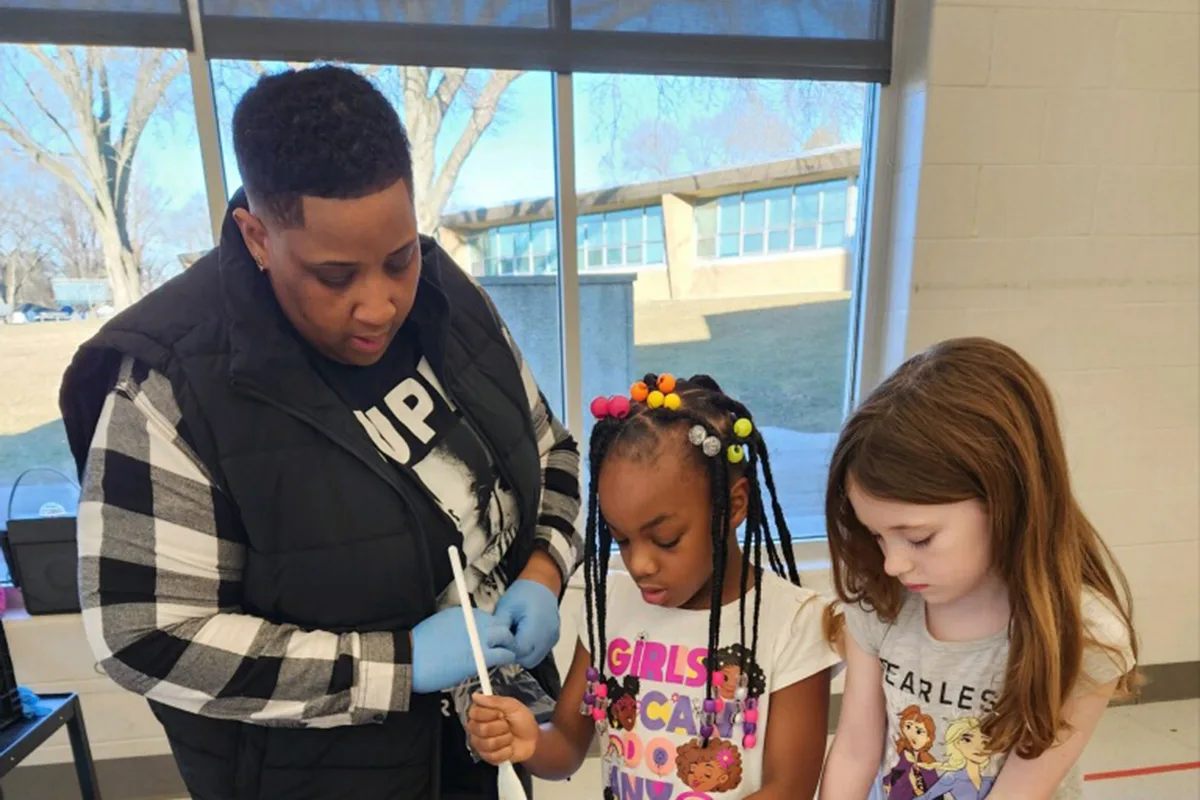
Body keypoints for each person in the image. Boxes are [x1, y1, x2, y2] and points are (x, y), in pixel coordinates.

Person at [58, 65, 582, 799]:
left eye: (398, 258)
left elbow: (552, 451)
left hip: (472, 752)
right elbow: (144, 634)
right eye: (335, 276)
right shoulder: (171, 384)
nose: (380, 306)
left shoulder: (449, 300)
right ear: (257, 235)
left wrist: (543, 572)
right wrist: (395, 666)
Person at [466, 374, 840, 799]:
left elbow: (789, 789)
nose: (640, 564)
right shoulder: (608, 606)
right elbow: (568, 744)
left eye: (666, 540)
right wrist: (528, 740)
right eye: (620, 539)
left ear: (733, 506)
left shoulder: (794, 624)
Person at [818, 337, 1139, 800]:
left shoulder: (1087, 635)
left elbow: (1022, 790)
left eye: (919, 537)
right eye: (876, 535)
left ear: (1007, 498)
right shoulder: (881, 600)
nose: (893, 563)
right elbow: (855, 748)